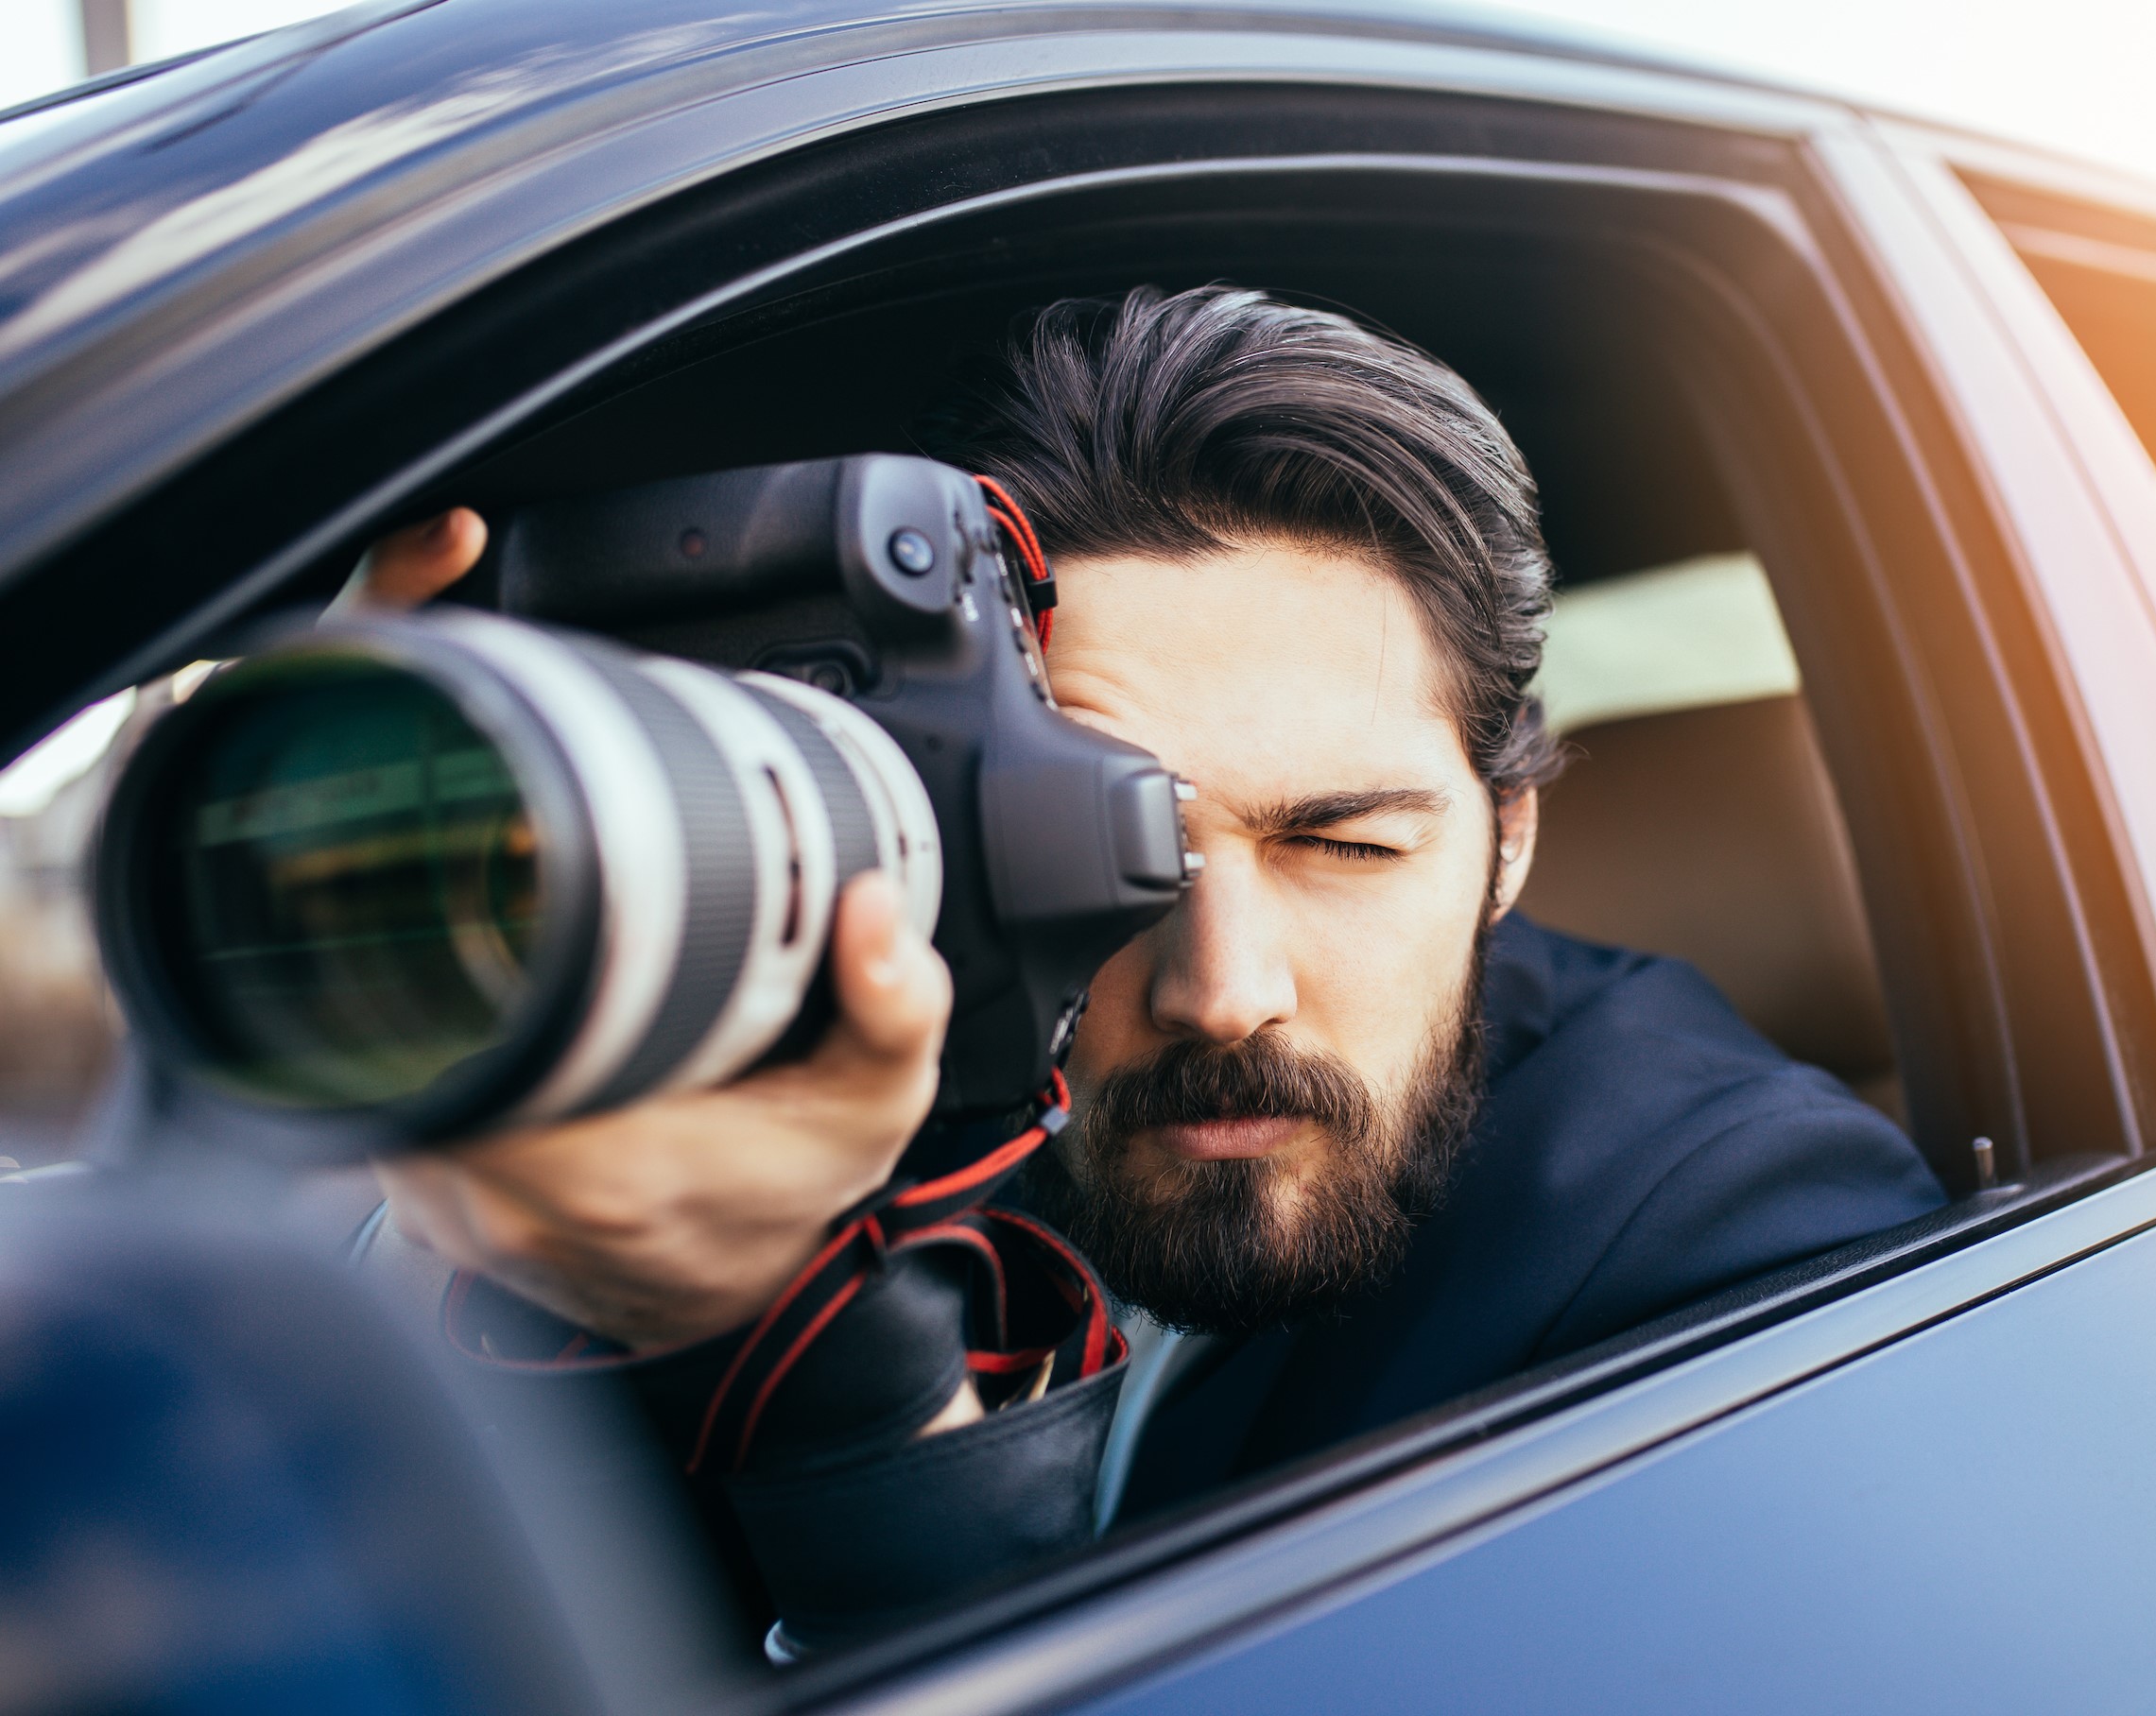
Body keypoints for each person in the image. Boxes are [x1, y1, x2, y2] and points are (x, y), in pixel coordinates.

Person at [354, 285, 1946, 1649]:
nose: (1219, 989)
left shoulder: (1733, 1242)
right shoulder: (813, 1068)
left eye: (1341, 845)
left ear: (1506, 843)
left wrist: (857, 1420)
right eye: (1104, 854)